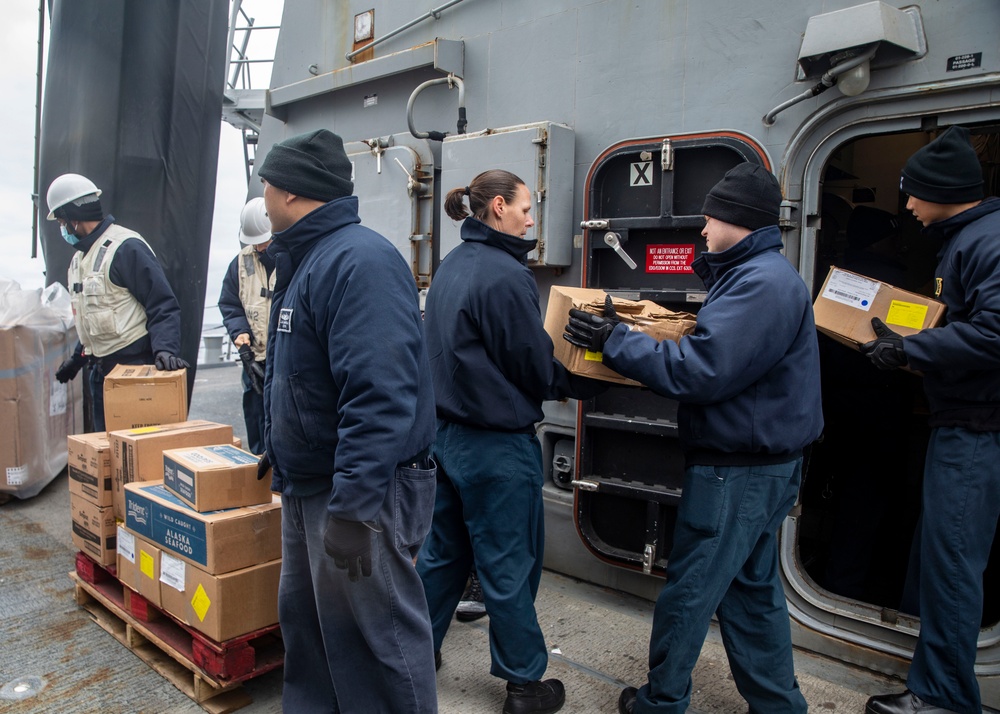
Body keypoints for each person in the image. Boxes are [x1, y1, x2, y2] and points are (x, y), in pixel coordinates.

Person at [564, 163, 823, 714]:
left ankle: (660, 703)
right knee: (751, 593)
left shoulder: (760, 284)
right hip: (759, 465)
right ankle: (779, 704)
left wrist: (616, 342)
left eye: (710, 218)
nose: (702, 229)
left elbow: (702, 369)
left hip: (738, 470)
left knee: (691, 590)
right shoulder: (758, 277)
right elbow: (715, 348)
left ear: (740, 221)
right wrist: (634, 329)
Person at [256, 129, 438, 713]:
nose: (261, 197)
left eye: (266, 184)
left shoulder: (358, 261)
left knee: (376, 639)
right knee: (310, 631)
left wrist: (354, 508)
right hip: (312, 483)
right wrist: (280, 445)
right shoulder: (308, 259)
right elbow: (303, 374)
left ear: (288, 191)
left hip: (363, 492)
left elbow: (380, 395)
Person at [415, 169, 605, 714]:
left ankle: (414, 653)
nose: (531, 216)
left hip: (445, 439)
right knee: (507, 564)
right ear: (498, 206)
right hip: (496, 449)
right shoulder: (505, 275)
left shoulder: (451, 267)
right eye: (526, 207)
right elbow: (534, 365)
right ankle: (525, 685)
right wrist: (600, 373)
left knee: (441, 554)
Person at [861, 125, 1000, 714]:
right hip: (963, 422)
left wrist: (910, 350)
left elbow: (995, 332)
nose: (909, 205)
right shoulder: (967, 238)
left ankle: (942, 699)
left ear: (943, 191)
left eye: (913, 193)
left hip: (977, 429)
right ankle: (936, 687)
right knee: (942, 556)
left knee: (951, 564)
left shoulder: (985, 242)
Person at [46, 172, 188, 431]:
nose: (62, 228)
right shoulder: (79, 262)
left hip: (133, 372)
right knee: (110, 451)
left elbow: (162, 303)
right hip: (101, 375)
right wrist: (77, 359)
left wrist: (165, 349)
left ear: (73, 219)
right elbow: (93, 317)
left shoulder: (125, 247)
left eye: (62, 221)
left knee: (136, 455)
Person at [218, 197, 274, 455]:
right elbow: (230, 304)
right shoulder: (240, 263)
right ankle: (259, 457)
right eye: (255, 243)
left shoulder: (295, 257)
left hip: (285, 357)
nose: (260, 247)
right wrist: (241, 339)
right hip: (254, 356)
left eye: (264, 241)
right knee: (255, 410)